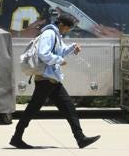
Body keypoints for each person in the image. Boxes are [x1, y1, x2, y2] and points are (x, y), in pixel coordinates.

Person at [9, 11, 100, 150]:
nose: (68, 30)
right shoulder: (49, 34)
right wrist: (59, 60)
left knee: (69, 108)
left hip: (52, 80)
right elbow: (43, 53)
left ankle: (80, 138)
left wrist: (72, 47)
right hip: (45, 79)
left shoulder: (56, 35)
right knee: (32, 110)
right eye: (68, 27)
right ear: (62, 24)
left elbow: (60, 51)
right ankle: (16, 138)